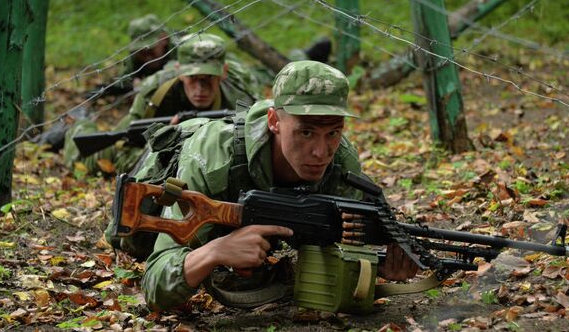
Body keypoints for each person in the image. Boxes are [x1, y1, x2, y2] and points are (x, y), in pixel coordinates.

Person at [134, 60, 417, 311]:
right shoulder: (214, 161)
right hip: (157, 204)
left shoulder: (341, 161)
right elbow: (154, 285)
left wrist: (380, 263)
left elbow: (348, 240)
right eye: (305, 132)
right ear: (274, 121)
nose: (321, 152)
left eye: (333, 132)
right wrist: (215, 252)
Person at [63, 33, 257, 175]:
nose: (200, 88)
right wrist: (162, 141)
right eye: (193, 79)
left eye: (208, 79)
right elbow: (130, 136)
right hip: (147, 141)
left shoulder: (241, 97)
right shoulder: (155, 91)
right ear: (180, 72)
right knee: (91, 161)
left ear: (223, 73)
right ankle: (78, 123)